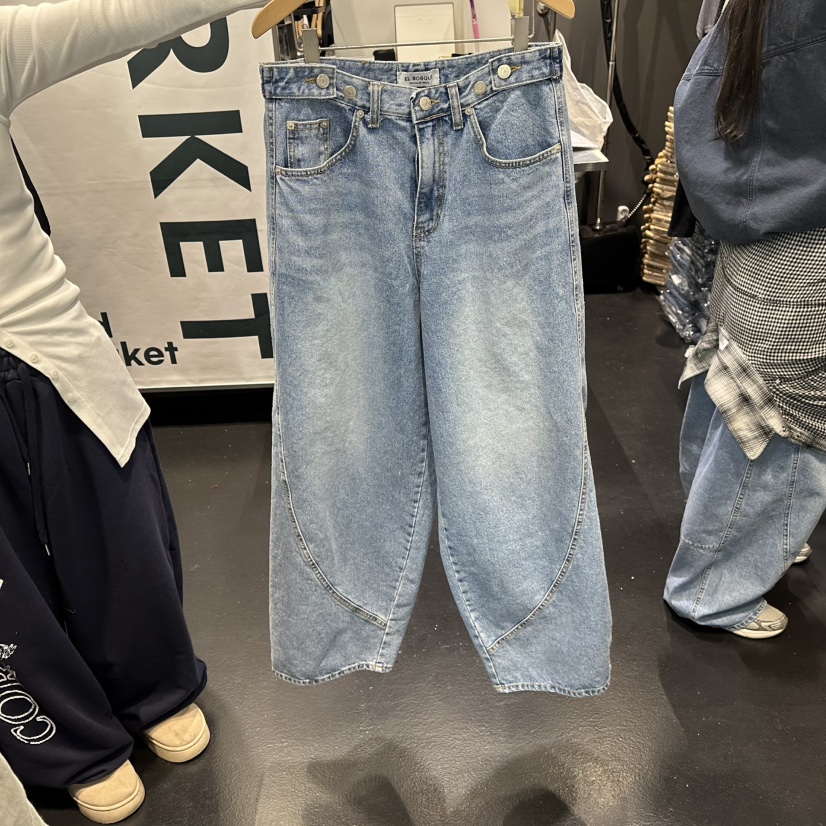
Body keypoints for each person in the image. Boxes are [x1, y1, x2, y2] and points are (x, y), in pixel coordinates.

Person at [0, 0, 259, 822]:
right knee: (5, 594)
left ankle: (156, 685)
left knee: (119, 530)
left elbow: (125, 14)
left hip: (43, 340)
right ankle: (65, 740)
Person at [664, 0, 826, 639]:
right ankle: (713, 588)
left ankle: (724, 530)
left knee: (737, 381)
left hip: (763, 207)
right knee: (792, 414)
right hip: (809, 222)